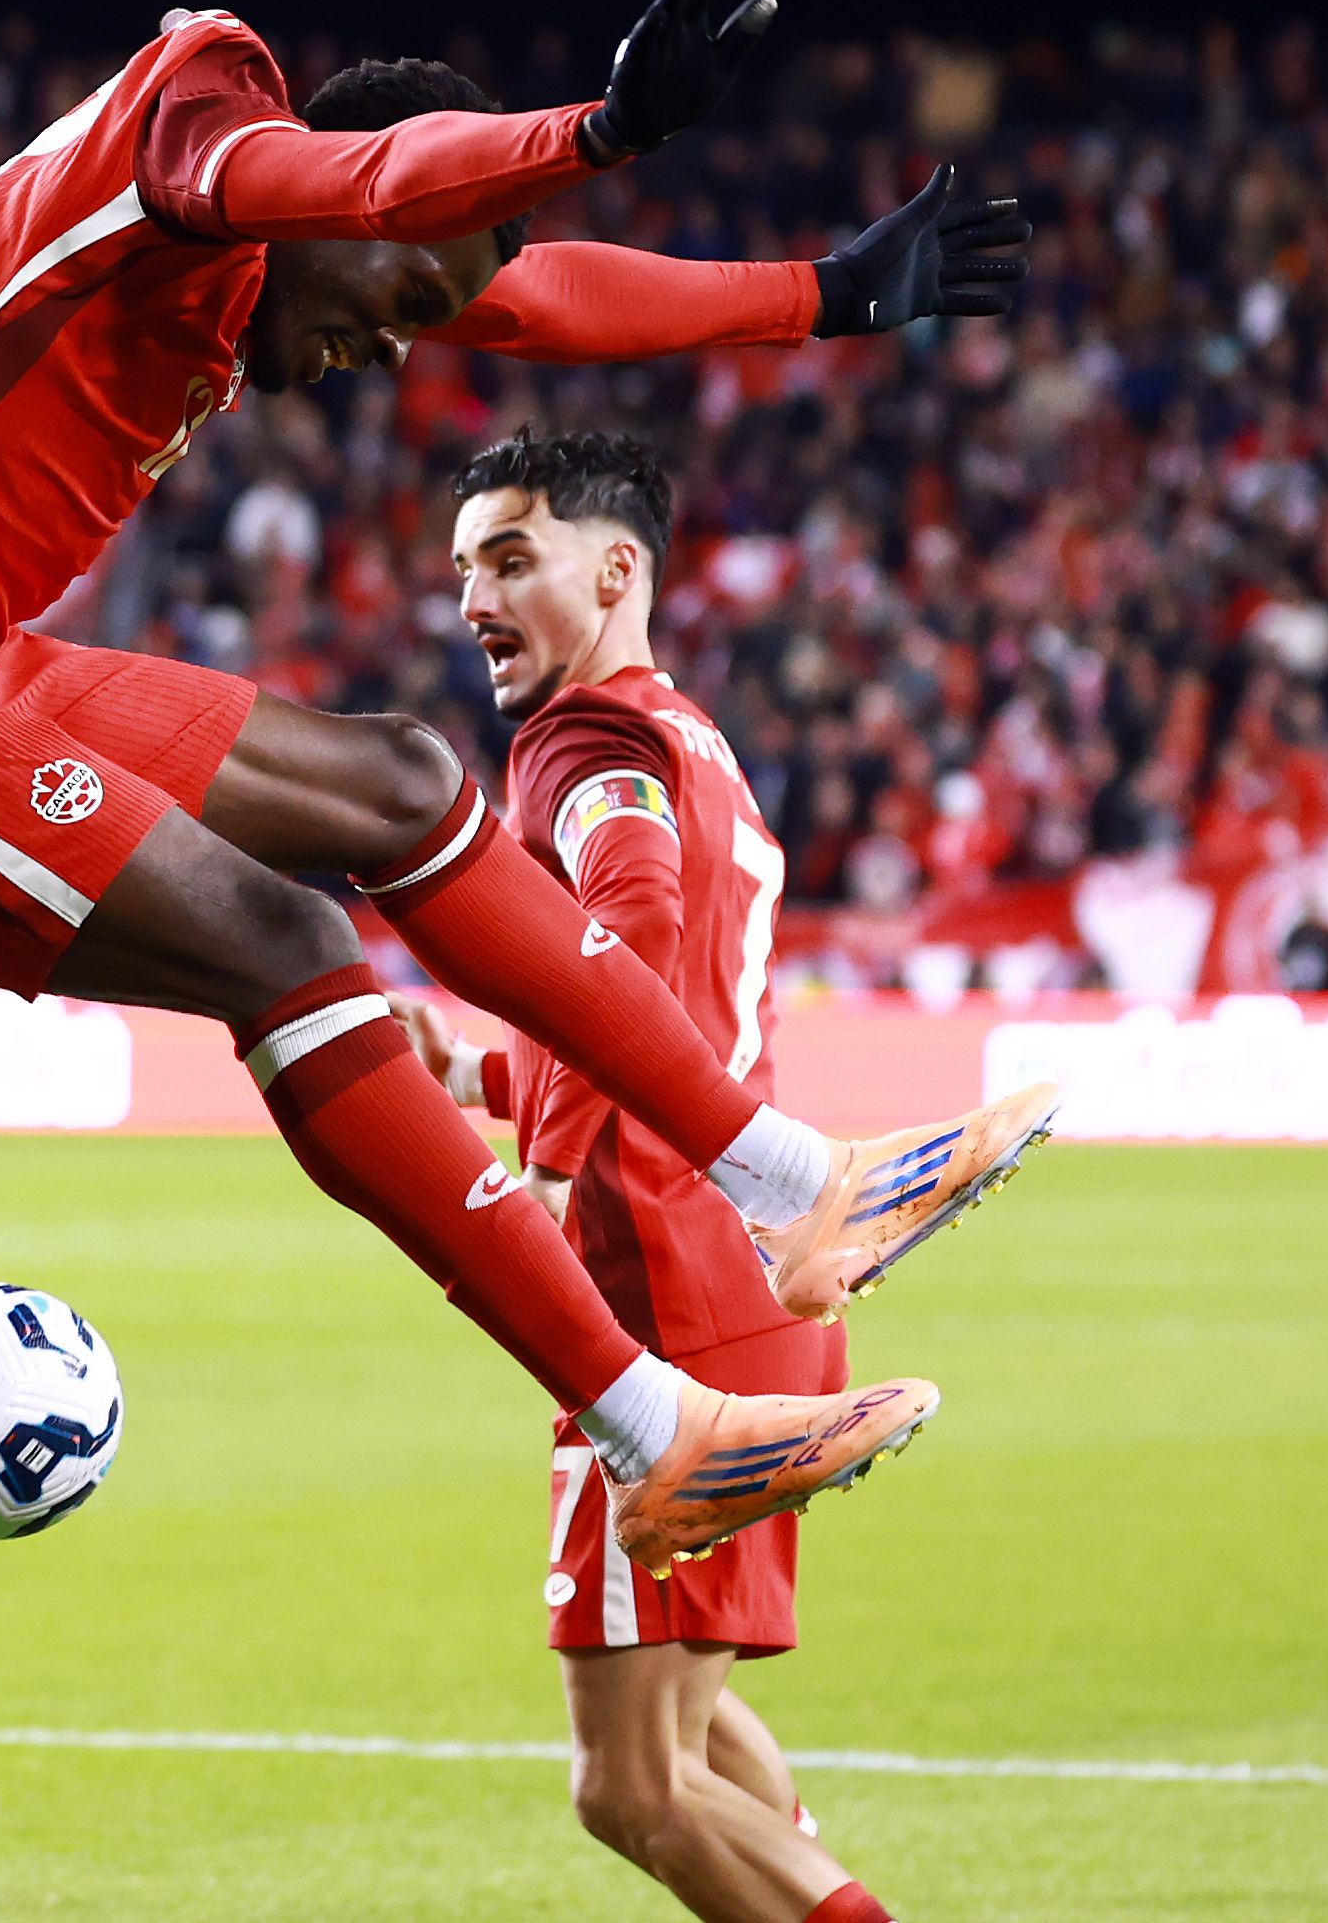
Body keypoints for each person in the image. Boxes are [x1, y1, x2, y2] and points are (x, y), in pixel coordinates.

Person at [0, 0, 1058, 1576]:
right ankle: (656, 1433)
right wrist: (593, 134)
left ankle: (795, 1184)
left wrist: (821, 295)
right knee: (287, 946)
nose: (396, 352)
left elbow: (532, 297)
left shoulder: (273, 250)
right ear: (355, 205)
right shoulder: (198, 114)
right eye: (405, 301)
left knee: (397, 783)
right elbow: (382, 184)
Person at [401, 430, 913, 1923]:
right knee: (688, 1726)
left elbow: (622, 937)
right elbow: (672, 1024)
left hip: (666, 1310)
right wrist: (484, 1076)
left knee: (628, 1786)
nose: (476, 601)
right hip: (752, 1282)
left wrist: (548, 1167)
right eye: (464, 570)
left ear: (618, 570)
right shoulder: (693, 739)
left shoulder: (580, 740)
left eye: (513, 559)